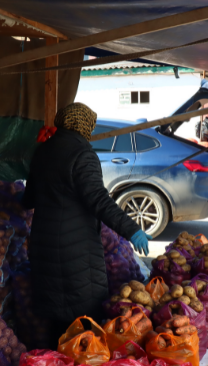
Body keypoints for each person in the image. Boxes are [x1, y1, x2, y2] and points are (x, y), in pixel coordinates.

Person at [22, 102, 152, 349]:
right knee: (84, 317)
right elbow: (98, 200)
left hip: (43, 243)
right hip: (75, 247)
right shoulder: (82, 154)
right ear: (85, 126)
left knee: (56, 316)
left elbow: (28, 200)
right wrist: (131, 229)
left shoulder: (42, 151)